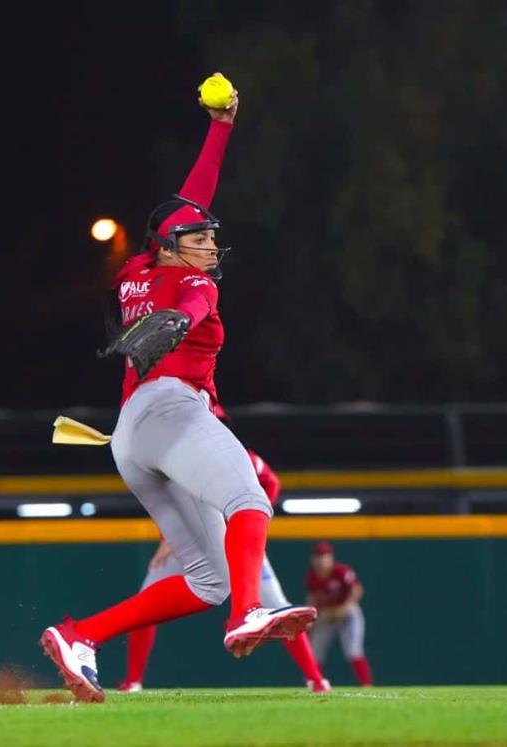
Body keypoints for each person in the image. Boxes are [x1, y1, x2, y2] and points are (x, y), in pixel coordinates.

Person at [39, 80, 315, 703]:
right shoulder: (195, 284)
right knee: (249, 496)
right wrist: (187, 317)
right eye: (199, 239)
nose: (210, 246)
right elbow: (191, 297)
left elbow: (190, 201)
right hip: (170, 409)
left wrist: (221, 127)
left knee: (205, 578)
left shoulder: (137, 269)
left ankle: (80, 635)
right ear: (170, 245)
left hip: (129, 436)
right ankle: (249, 613)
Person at [118, 406, 331, 693]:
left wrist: (251, 519)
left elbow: (271, 482)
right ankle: (132, 680)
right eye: (210, 420)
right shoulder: (173, 459)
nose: (215, 426)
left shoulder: (240, 457)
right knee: (146, 602)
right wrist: (166, 538)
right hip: (189, 544)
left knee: (279, 608)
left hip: (235, 543)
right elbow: (164, 502)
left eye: (219, 422)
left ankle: (315, 678)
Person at [305, 541, 373, 687]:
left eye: (324, 556)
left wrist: (344, 607)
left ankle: (366, 684)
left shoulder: (341, 572)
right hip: (327, 615)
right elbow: (312, 599)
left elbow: (357, 590)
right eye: (318, 556)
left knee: (354, 650)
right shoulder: (312, 577)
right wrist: (310, 618)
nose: (321, 560)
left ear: (331, 558)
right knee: (314, 652)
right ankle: (313, 683)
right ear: (313, 559)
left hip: (347, 614)